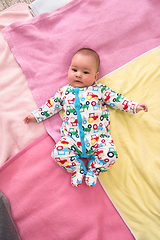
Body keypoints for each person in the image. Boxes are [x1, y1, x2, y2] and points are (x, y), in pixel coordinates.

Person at [24, 48, 148, 187]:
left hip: (98, 138)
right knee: (58, 153)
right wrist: (36, 115)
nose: (78, 75)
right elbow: (50, 106)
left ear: (95, 77)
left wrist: (134, 106)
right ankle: (76, 169)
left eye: (85, 72)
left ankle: (93, 170)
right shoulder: (64, 92)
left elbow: (117, 99)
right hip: (71, 139)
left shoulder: (100, 90)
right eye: (74, 70)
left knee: (110, 155)